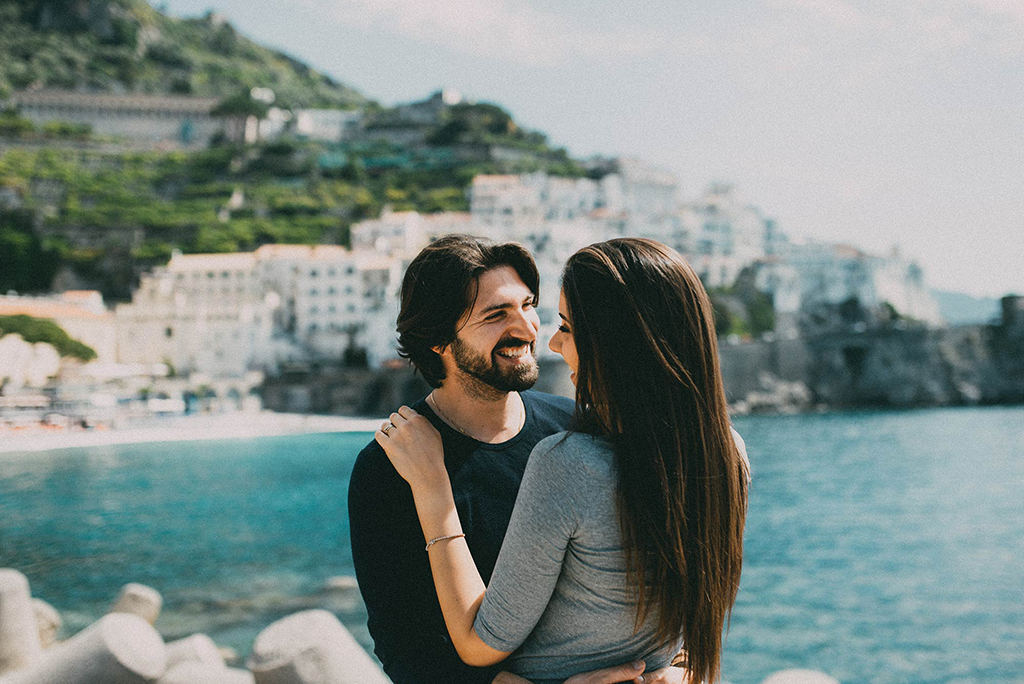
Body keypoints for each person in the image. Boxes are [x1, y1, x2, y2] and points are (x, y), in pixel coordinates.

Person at [376, 238, 750, 684]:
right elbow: (406, 651)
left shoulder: (570, 442)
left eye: (532, 308)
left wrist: (677, 671)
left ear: (615, 342)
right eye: (496, 314)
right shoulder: (726, 452)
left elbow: (479, 642)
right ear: (438, 340)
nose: (541, 336)